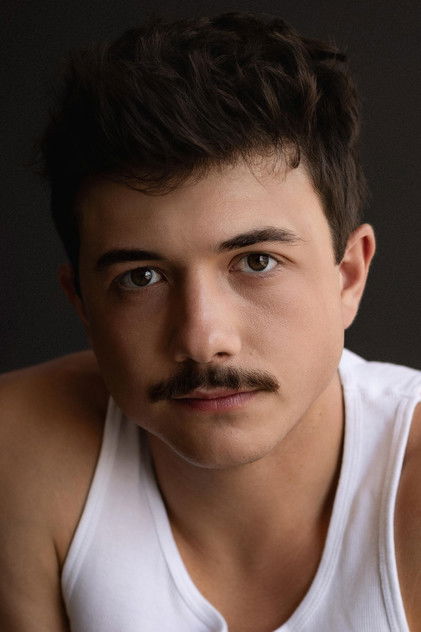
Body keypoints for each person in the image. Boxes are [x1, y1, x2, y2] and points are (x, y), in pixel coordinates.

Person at [0, 11, 419, 632]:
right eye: (141, 277)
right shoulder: (17, 450)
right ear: (82, 303)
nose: (201, 339)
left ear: (348, 276)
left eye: (257, 262)